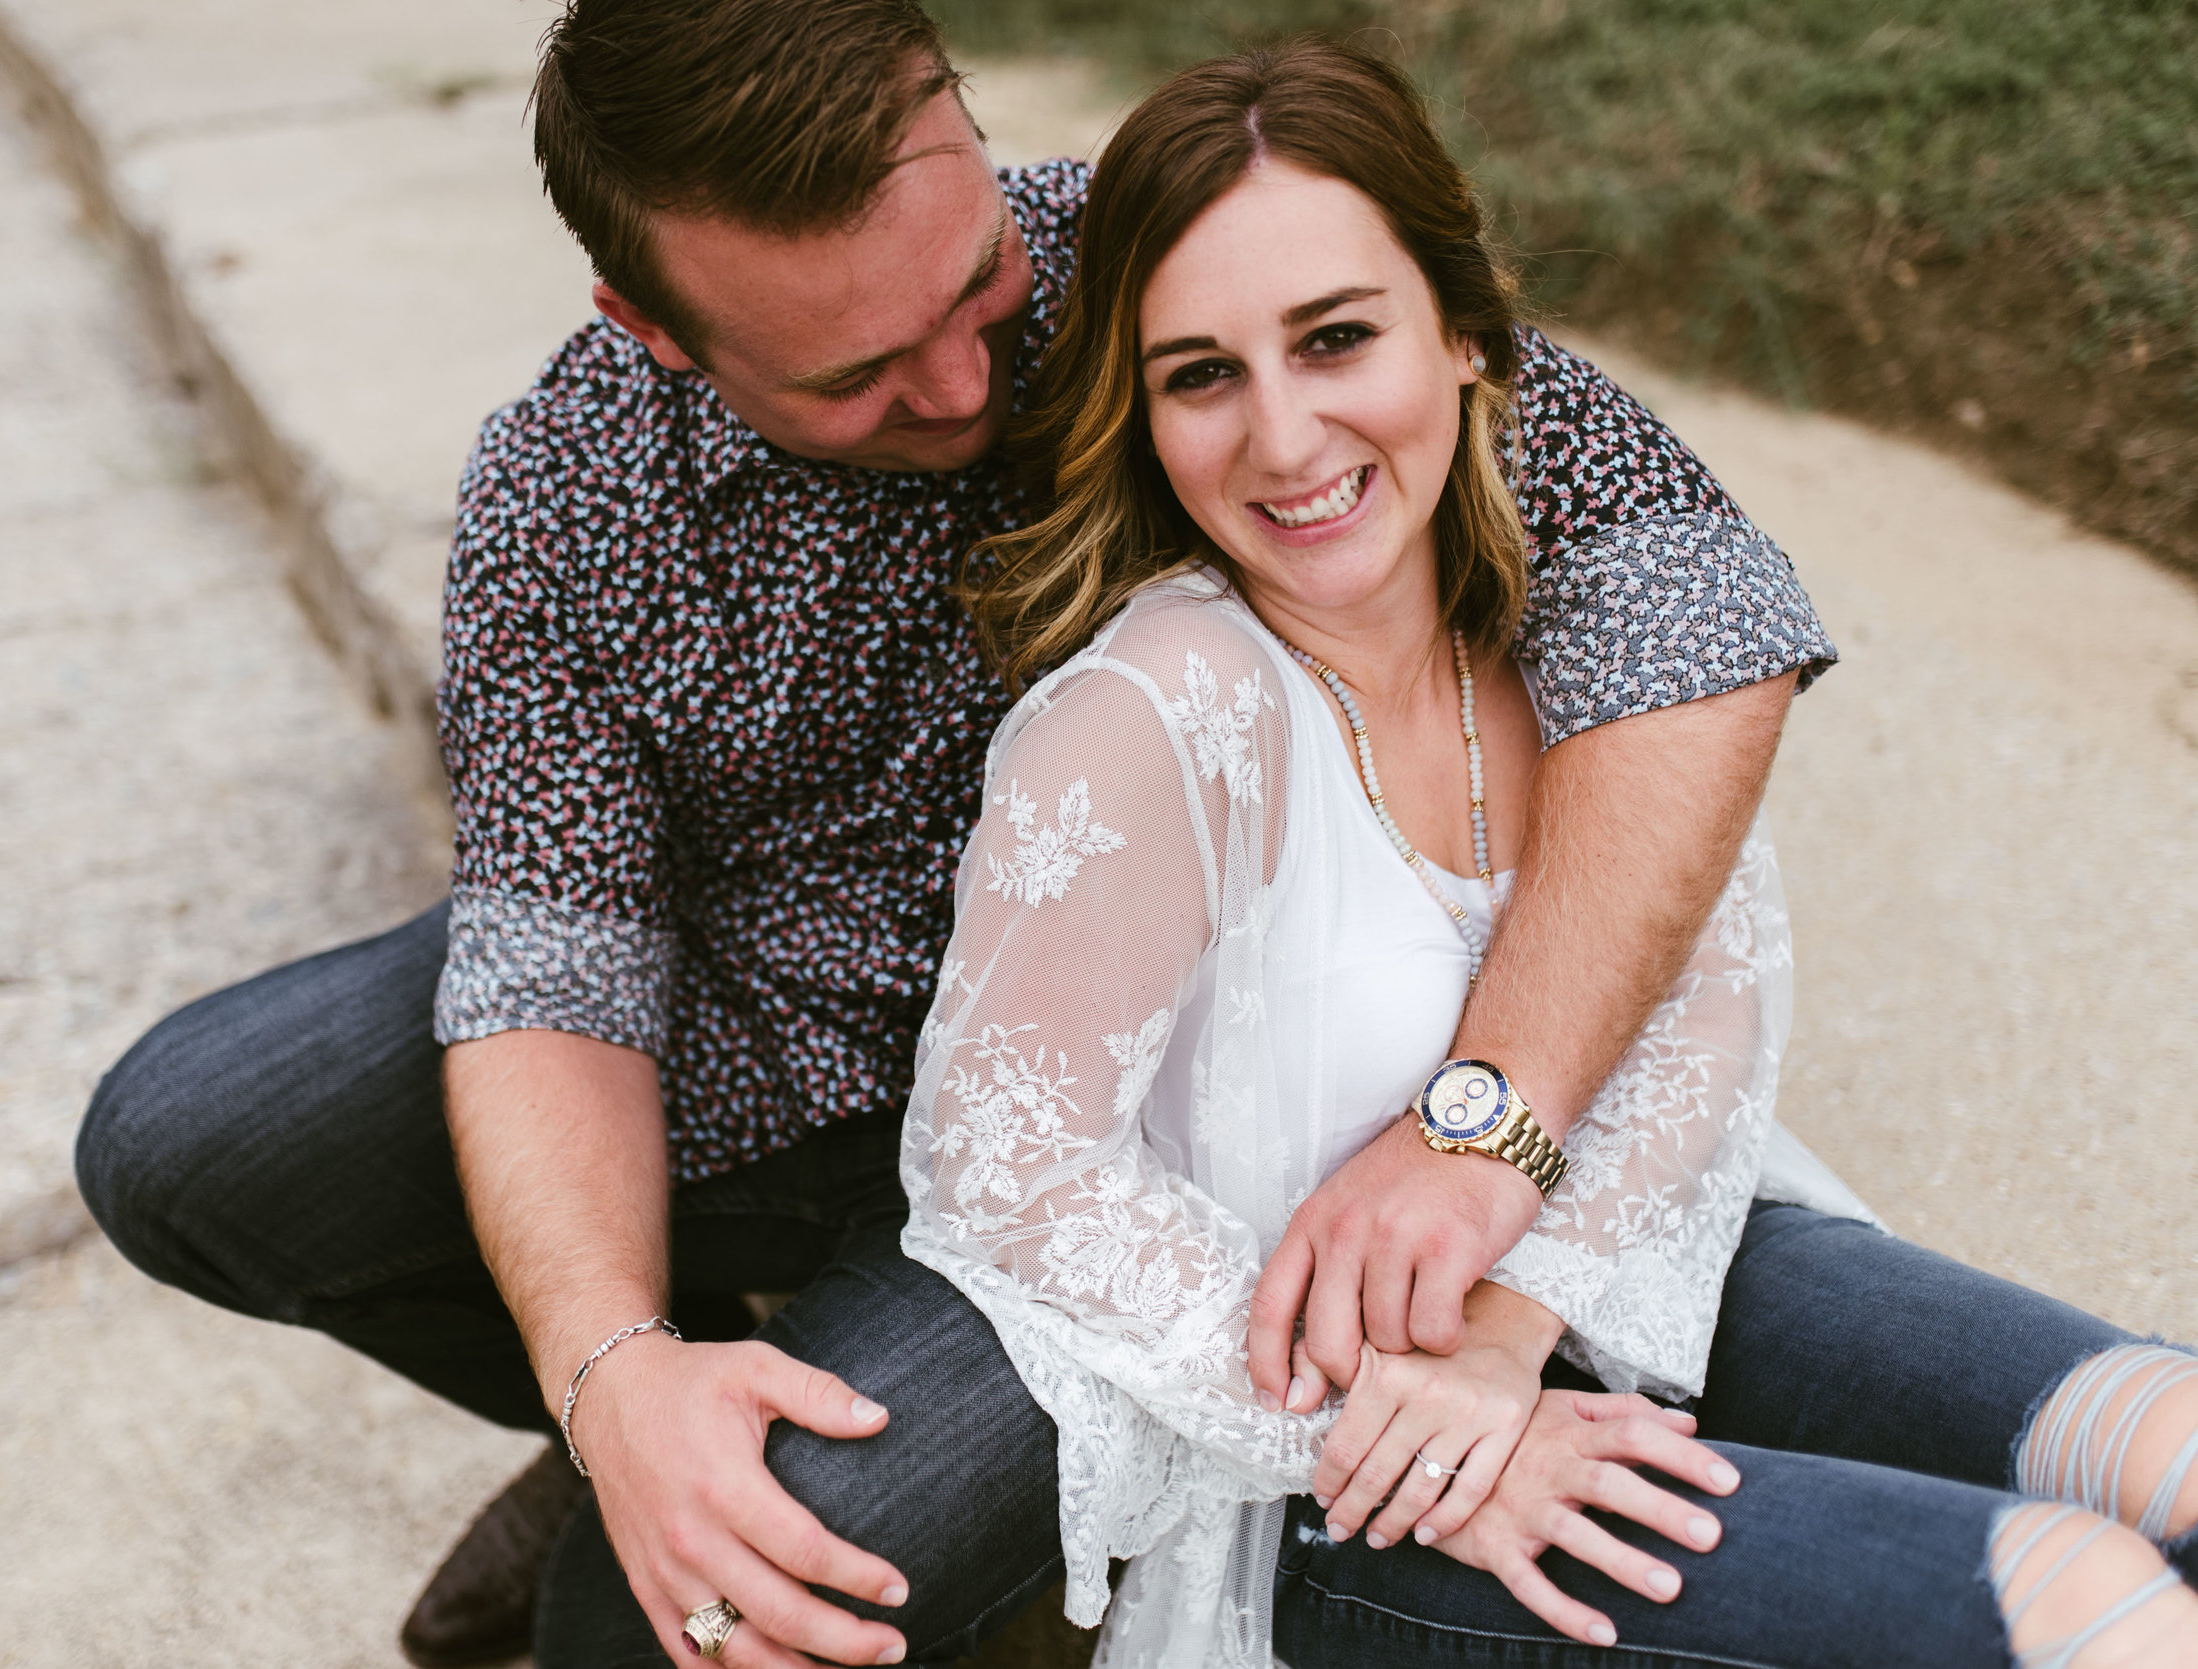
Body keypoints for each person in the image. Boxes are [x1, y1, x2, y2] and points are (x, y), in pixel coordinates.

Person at [57, 1, 2024, 1664]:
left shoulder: (1182, 273)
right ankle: (664, 1402)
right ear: (650, 325)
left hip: (1143, 1113)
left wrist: (1481, 1121)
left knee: (688, 1623)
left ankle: (844, 1467)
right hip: (757, 1066)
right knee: (193, 1136)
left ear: (959, 121)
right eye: (853, 372)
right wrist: (613, 1371)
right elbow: (553, 960)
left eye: (974, 293)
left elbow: (1694, 620)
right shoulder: (564, 499)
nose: (969, 380)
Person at [903, 36, 2198, 1669]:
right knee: (2085, 1605)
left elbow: (1704, 1004)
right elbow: (1006, 1171)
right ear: (1140, 413)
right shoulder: (1160, 710)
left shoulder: (1573, 637)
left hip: (1636, 1264)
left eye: (1338, 339)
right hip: (1341, 1477)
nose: (1288, 438)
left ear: (1464, 337)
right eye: (1202, 374)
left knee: (2172, 1450)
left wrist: (1517, 1323)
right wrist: (1412, 1415)